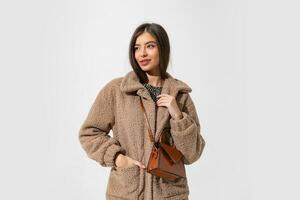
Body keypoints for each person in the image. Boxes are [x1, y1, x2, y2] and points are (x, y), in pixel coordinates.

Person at [79, 22, 206, 200]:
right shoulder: (117, 90)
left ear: (163, 48)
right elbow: (89, 133)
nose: (142, 54)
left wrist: (178, 116)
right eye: (137, 48)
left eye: (150, 46)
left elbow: (192, 154)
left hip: (170, 194)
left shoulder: (180, 95)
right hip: (127, 192)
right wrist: (117, 158)